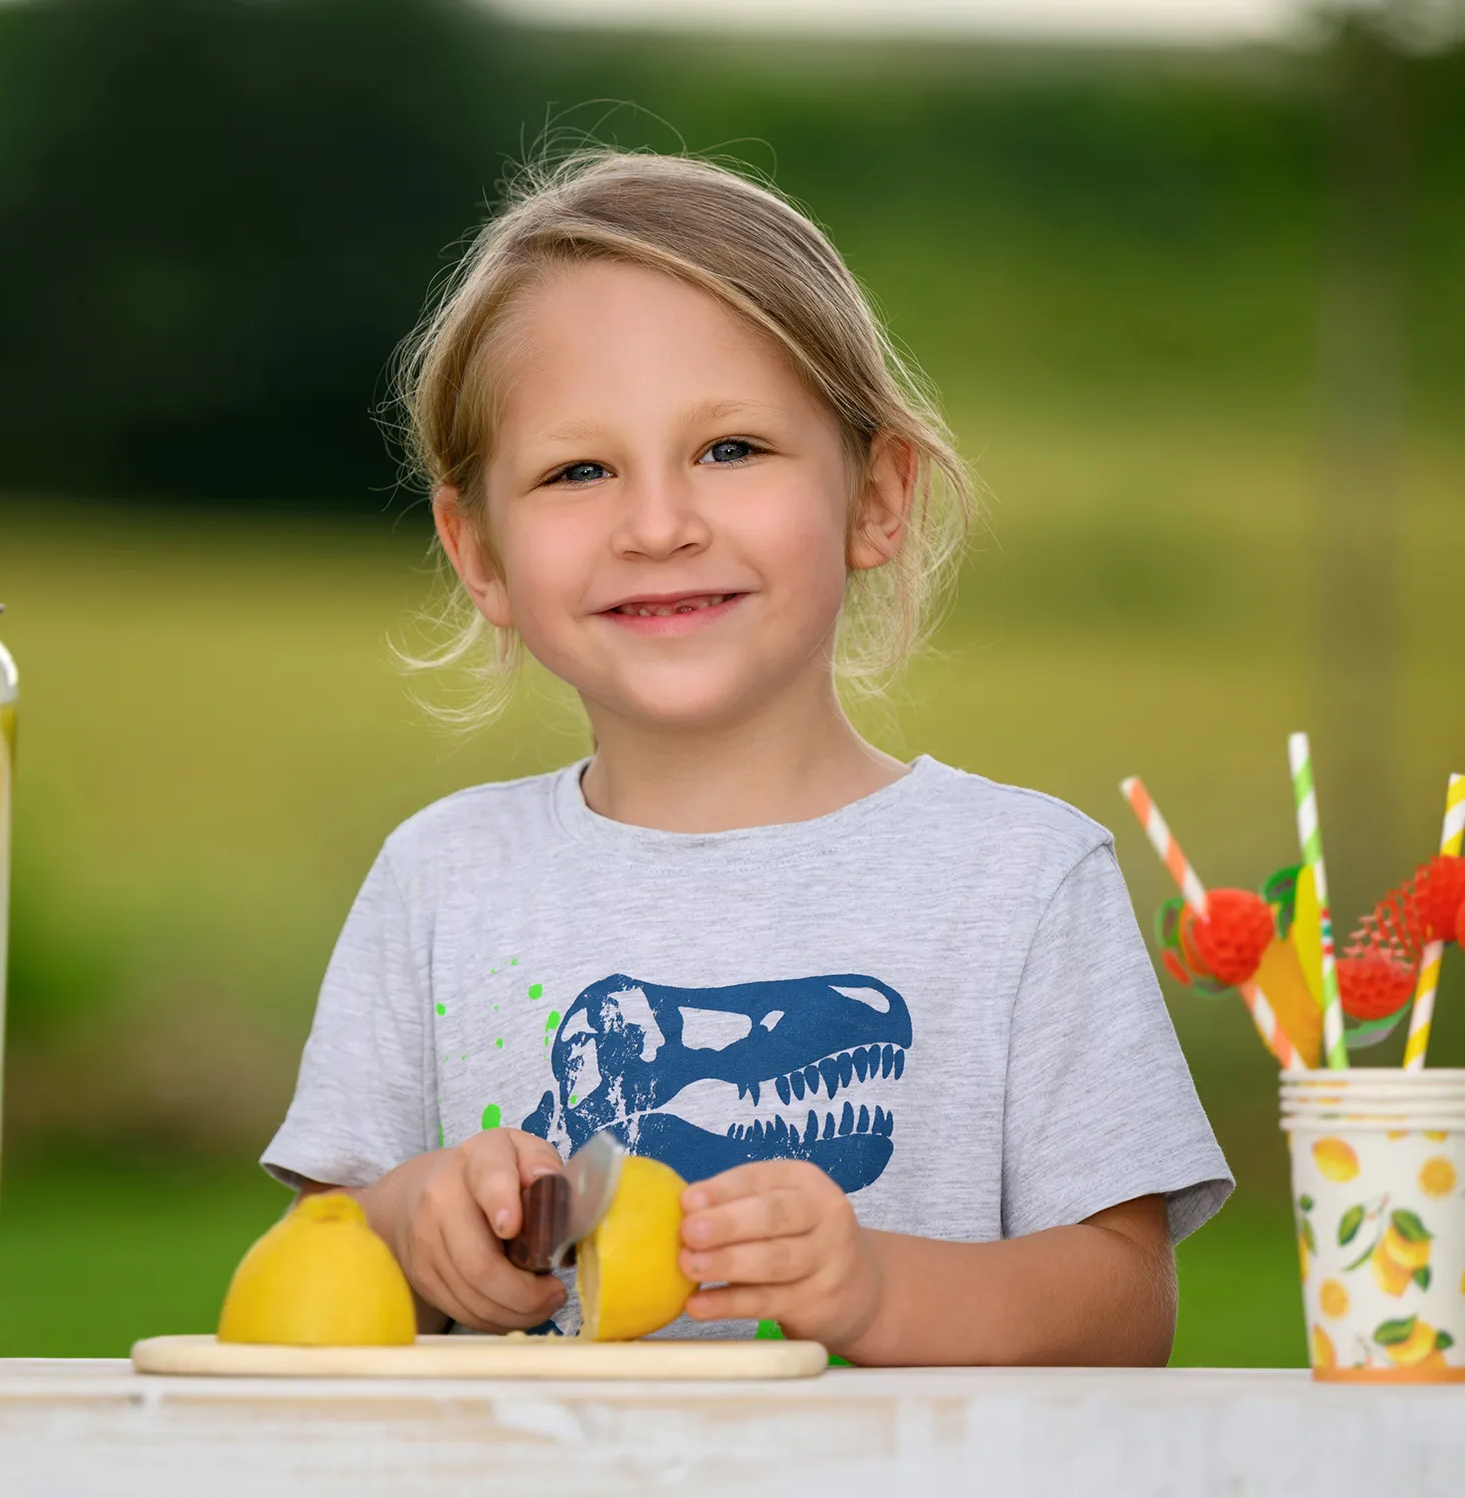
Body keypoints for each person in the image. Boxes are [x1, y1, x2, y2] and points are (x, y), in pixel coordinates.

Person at [261, 149, 1230, 1363]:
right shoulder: (440, 880)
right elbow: (314, 1258)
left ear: (875, 496)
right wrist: (412, 1228)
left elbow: (1124, 1309)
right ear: (479, 553)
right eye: (578, 470)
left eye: (729, 449)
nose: (659, 524)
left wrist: (876, 1290)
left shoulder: (1020, 880)